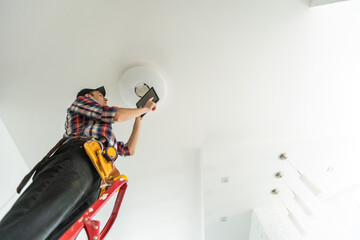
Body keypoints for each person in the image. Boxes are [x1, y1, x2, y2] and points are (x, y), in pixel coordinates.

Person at [0, 86, 157, 239]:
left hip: (96, 180)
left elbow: (129, 150)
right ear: (89, 96)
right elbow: (116, 116)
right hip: (79, 156)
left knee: (60, 232)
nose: (106, 98)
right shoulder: (81, 102)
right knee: (42, 212)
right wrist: (145, 108)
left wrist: (139, 120)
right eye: (101, 95)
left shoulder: (104, 133)